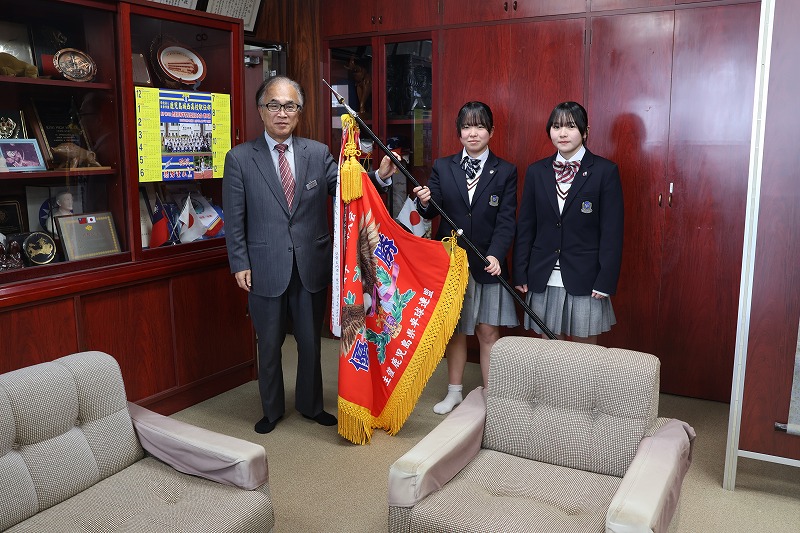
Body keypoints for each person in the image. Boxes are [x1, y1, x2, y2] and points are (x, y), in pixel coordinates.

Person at [223, 76, 397, 434]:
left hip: (311, 264)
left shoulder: (317, 153)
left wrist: (377, 177)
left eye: (290, 106)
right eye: (274, 105)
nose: (282, 113)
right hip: (264, 264)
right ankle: (271, 410)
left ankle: (310, 405)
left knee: (310, 344)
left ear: (299, 112)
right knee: (269, 345)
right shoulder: (239, 158)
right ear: (261, 110)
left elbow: (348, 189)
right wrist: (238, 262)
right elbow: (234, 217)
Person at [413, 101, 518, 414]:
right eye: (467, 127)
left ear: (491, 132)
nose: (473, 133)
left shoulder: (506, 171)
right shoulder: (443, 167)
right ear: (459, 132)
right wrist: (424, 201)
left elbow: (507, 220)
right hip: (452, 263)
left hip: (488, 262)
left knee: (488, 332)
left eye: (480, 126)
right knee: (455, 330)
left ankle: (490, 396)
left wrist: (497, 254)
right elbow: (431, 211)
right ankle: (454, 391)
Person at [513, 101, 623, 344]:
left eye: (571, 126)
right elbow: (526, 226)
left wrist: (606, 279)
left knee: (585, 352)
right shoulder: (537, 171)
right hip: (543, 275)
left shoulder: (605, 171)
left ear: (585, 131)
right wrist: (520, 270)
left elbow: (612, 232)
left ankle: (583, 386)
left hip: (587, 277)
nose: (562, 133)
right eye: (556, 126)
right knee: (551, 348)